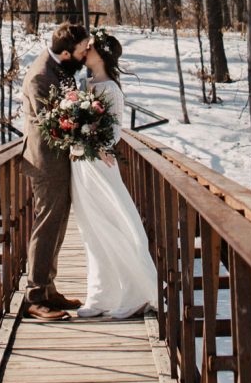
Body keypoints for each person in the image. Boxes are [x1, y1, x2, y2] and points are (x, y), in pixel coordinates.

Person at [70, 32, 157, 319]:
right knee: (90, 230)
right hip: (80, 164)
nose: (86, 50)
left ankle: (137, 293)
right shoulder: (85, 83)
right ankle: (100, 296)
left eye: (91, 47)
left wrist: (91, 144)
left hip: (99, 164)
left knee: (113, 224)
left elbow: (114, 131)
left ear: (103, 55)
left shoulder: (110, 90)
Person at [21, 21, 89, 320]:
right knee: (47, 223)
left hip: (59, 160)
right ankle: (35, 297)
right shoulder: (40, 75)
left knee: (59, 223)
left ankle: (49, 287)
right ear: (66, 52)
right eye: (82, 50)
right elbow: (52, 123)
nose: (86, 54)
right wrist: (84, 127)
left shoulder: (60, 68)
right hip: (45, 161)